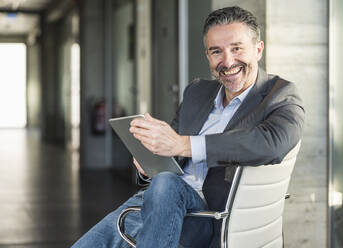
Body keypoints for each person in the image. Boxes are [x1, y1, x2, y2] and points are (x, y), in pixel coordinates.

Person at [72, 6, 305, 248]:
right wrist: (150, 160)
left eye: (237, 48)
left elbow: (272, 143)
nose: (227, 61)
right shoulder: (197, 92)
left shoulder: (281, 94)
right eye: (217, 52)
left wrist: (185, 145)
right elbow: (171, 151)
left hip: (207, 217)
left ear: (258, 49)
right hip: (159, 202)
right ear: (207, 56)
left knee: (165, 185)